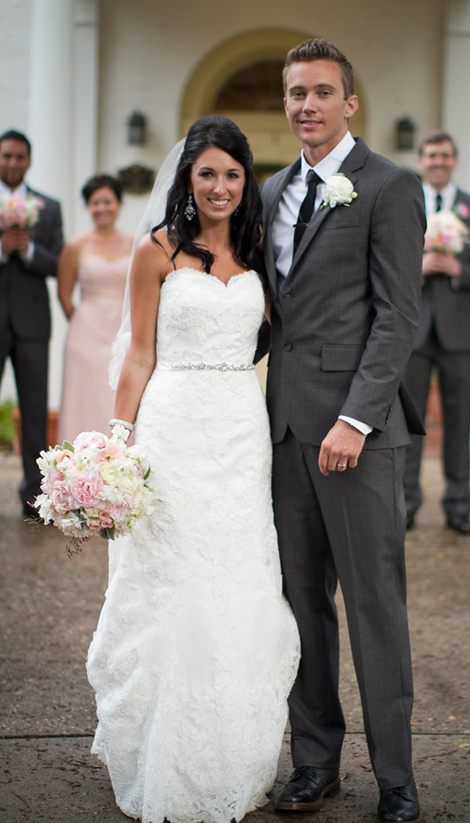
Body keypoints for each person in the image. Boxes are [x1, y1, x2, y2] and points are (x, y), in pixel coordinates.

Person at [86, 116, 300, 823]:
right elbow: (139, 353)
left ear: (247, 183)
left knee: (239, 576)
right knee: (174, 578)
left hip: (241, 429)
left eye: (232, 174)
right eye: (207, 173)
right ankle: (159, 747)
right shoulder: (156, 253)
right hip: (174, 427)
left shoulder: (258, 253)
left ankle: (231, 751)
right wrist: (118, 442)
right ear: (187, 178)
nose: (219, 185)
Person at [260, 40, 425, 823]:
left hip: (356, 437)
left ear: (349, 102)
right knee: (300, 605)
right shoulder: (270, 192)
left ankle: (396, 776)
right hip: (285, 432)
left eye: (322, 91)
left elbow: (398, 316)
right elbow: (271, 319)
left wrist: (356, 417)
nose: (307, 105)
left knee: (373, 606)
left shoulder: (389, 187)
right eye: (296, 93)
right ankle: (314, 763)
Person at [403, 130, 470, 534]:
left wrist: (461, 270)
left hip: (461, 334)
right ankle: (405, 504)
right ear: (422, 159)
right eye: (431, 155)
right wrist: (418, 267)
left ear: (454, 160)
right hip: (412, 331)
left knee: (459, 422)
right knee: (409, 424)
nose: (438, 161)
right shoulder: (404, 204)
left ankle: (458, 504)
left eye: (444, 155)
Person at [0, 129, 63, 518]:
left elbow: (57, 262)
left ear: (29, 160)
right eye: (6, 156)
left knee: (35, 411)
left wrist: (28, 249)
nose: (12, 162)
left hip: (32, 322)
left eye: (19, 156)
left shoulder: (49, 207)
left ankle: (34, 498)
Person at [57, 174, 132, 442]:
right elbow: (64, 296)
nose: (102, 208)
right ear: (88, 207)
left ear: (119, 204)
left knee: (116, 398)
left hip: (121, 333)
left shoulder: (135, 243)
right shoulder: (75, 245)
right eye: (95, 203)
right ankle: (77, 470)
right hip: (85, 336)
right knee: (84, 399)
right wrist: (83, 326)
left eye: (107, 202)